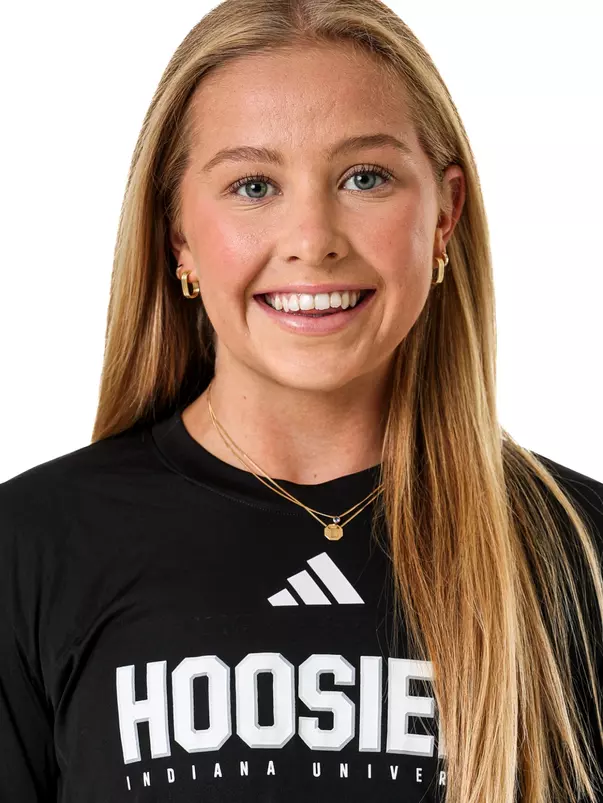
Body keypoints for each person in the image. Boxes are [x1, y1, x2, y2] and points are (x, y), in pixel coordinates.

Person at [1, 1, 602, 801]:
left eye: (365, 177)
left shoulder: (580, 551)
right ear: (178, 234)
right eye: (253, 185)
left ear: (444, 213)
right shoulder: (30, 548)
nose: (313, 237)